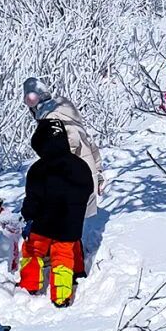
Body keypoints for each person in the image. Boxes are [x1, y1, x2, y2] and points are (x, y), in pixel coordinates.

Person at [19, 119, 94, 307]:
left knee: (32, 250)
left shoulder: (38, 169)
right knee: (65, 253)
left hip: (42, 225)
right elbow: (88, 189)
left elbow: (32, 199)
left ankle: (29, 286)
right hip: (71, 223)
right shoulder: (80, 165)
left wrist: (28, 216)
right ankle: (62, 295)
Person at [21, 77, 103, 218]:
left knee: (64, 224)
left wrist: (55, 170)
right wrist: (98, 171)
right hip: (84, 176)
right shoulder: (66, 113)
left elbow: (71, 141)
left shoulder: (51, 117)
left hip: (73, 181)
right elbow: (90, 143)